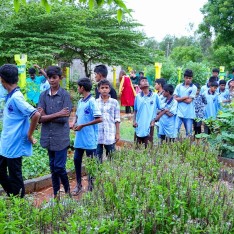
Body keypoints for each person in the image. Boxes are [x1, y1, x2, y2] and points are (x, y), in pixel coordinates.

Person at [0, 64, 40, 198]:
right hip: (6, 141)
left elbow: (35, 114)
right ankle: (13, 195)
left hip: (15, 142)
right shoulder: (10, 95)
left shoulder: (16, 97)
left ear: (2, 79)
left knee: (15, 174)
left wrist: (29, 134)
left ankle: (19, 201)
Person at [38, 66, 72, 199]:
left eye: (54, 77)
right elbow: (40, 119)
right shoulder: (43, 95)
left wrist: (46, 115)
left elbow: (64, 119)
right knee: (53, 167)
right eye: (49, 77)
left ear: (60, 78)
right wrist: (57, 114)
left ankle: (68, 192)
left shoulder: (65, 95)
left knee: (59, 167)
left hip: (61, 138)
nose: (51, 80)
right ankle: (56, 194)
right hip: (48, 137)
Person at [72, 78, 102, 195]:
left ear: (82, 88)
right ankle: (78, 185)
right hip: (79, 138)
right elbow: (78, 116)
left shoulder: (92, 102)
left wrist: (83, 125)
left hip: (89, 139)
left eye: (78, 87)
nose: (78, 89)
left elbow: (99, 118)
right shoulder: (81, 101)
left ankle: (91, 186)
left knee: (90, 163)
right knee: (76, 160)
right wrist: (74, 122)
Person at [96, 79, 120, 163]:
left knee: (111, 156)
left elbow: (117, 119)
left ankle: (111, 175)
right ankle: (97, 174)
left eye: (106, 87)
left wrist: (117, 133)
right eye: (102, 88)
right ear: (99, 90)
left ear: (109, 89)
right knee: (97, 157)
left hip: (110, 133)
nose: (104, 89)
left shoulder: (114, 102)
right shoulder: (95, 102)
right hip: (98, 133)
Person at [133, 77, 160, 148]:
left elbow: (161, 110)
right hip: (139, 125)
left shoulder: (155, 96)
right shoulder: (137, 97)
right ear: (139, 86)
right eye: (142, 81)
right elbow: (135, 110)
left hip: (149, 125)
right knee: (136, 147)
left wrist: (154, 120)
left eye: (146, 80)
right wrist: (134, 121)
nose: (145, 82)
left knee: (148, 147)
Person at [174, 69, 197, 137]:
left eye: (190, 78)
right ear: (184, 78)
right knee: (175, 130)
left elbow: (189, 101)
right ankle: (175, 145)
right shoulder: (179, 86)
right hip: (179, 112)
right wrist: (185, 97)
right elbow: (174, 98)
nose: (188, 80)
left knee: (189, 133)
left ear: (192, 78)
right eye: (187, 78)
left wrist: (179, 98)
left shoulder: (194, 88)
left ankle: (188, 147)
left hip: (189, 113)